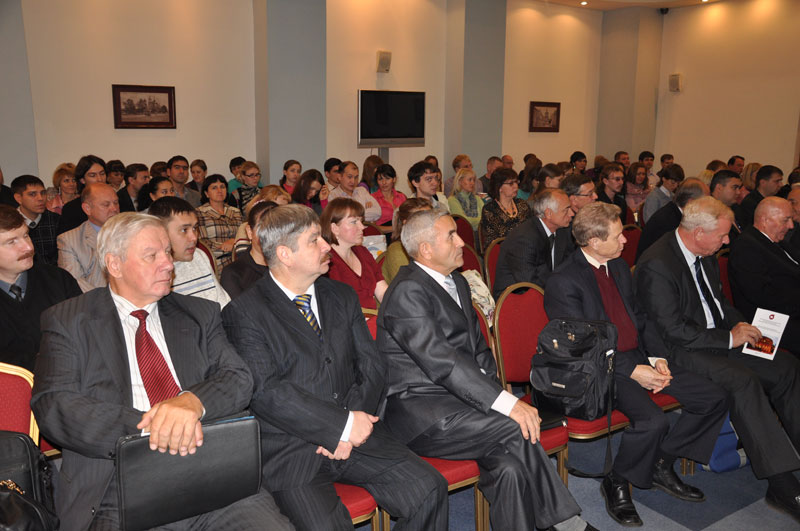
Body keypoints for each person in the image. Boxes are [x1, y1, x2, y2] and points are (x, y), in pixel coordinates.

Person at [33, 212, 292, 531]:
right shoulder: (69, 320)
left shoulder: (198, 313)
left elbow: (238, 378)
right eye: (151, 255)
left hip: (213, 474)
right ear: (114, 264)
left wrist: (191, 402)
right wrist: (155, 427)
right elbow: (55, 405)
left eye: (167, 252)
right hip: (119, 485)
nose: (169, 264)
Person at [221, 204, 447, 531]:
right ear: (284, 254)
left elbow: (371, 364)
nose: (327, 246)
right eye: (314, 240)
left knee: (428, 488)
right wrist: (337, 426)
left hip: (358, 430)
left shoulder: (340, 295)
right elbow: (268, 393)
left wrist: (351, 425)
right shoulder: (244, 313)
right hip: (294, 448)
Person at [377, 209, 595, 531]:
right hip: (424, 414)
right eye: (451, 235)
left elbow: (480, 351)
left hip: (464, 405)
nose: (461, 242)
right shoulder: (408, 291)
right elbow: (443, 363)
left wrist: (495, 395)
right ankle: (568, 523)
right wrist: (507, 404)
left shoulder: (457, 282)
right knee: (515, 426)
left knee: (509, 467)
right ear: (426, 249)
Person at [545, 202, 728, 526]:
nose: (626, 240)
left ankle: (660, 462)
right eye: (617, 235)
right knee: (653, 422)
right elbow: (580, 345)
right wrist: (632, 371)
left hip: (638, 357)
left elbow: (641, 319)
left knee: (713, 397)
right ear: (594, 241)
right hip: (601, 369)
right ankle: (617, 481)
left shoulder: (617, 266)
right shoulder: (564, 280)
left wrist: (657, 359)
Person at [635, 196, 800, 522]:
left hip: (714, 340)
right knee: (742, 381)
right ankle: (781, 483)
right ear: (699, 232)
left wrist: (743, 326)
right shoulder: (657, 263)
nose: (727, 241)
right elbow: (672, 330)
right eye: (723, 235)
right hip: (678, 351)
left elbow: (718, 303)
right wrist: (729, 338)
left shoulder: (704, 253)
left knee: (786, 367)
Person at [0, 205, 80, 371]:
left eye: (26, 235)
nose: (28, 247)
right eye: (12, 242)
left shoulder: (58, 280)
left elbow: (86, 334)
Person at [729, 197, 800, 353]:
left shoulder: (775, 241)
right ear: (765, 220)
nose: (791, 225)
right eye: (786, 220)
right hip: (770, 322)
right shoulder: (746, 247)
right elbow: (762, 295)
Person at [149, 197, 231, 308]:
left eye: (194, 228)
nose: (194, 238)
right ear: (161, 233)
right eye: (184, 230)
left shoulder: (199, 255)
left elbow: (224, 304)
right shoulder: (153, 273)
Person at [492, 189, 574, 297]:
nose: (571, 213)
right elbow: (529, 283)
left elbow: (569, 266)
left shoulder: (562, 231)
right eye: (566, 210)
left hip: (549, 291)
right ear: (548, 213)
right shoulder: (524, 239)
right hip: (516, 298)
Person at [321, 198, 388, 309]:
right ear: (334, 228)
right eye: (354, 222)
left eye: (361, 221)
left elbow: (383, 293)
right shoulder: (326, 262)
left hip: (373, 316)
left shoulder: (363, 252)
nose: (362, 227)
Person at [57, 183, 120, 292]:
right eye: (106, 205)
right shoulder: (69, 240)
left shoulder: (132, 232)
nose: (114, 208)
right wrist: (108, 299)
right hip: (95, 299)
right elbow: (74, 281)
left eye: (116, 203)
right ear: (87, 208)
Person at [636, 178, 710, 262]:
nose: (708, 206)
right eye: (706, 201)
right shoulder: (667, 221)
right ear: (691, 202)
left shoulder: (679, 213)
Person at [221, 201, 274, 299]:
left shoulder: (290, 265)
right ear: (249, 232)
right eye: (262, 228)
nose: (270, 235)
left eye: (276, 228)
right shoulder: (234, 274)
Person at [12, 175, 60, 265]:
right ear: (18, 198)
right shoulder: (8, 223)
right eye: (32, 194)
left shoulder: (56, 220)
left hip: (53, 271)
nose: (40, 198)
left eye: (43, 193)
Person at [197, 174, 243, 270]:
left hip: (238, 257)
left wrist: (234, 243)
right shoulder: (199, 213)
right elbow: (202, 242)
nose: (219, 191)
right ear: (206, 193)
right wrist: (226, 246)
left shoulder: (235, 211)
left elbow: (243, 236)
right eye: (214, 188)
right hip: (215, 261)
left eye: (222, 187)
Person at [382, 198, 432, 284]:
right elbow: (406, 286)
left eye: (431, 217)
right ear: (407, 223)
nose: (430, 223)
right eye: (423, 219)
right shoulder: (397, 250)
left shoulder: (432, 243)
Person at [479, 168, 532, 249]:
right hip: (502, 251)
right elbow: (494, 241)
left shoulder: (522, 205)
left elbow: (532, 229)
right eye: (511, 183)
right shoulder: (490, 210)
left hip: (526, 248)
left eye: (516, 182)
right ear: (499, 187)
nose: (516, 186)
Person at [57, 154, 107, 235]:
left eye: (102, 174)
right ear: (82, 180)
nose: (100, 179)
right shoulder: (71, 209)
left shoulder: (116, 202)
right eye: (93, 175)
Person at [736, 164, 784, 229]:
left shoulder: (777, 199)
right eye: (777, 181)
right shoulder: (750, 203)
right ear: (763, 182)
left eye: (781, 181)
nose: (781, 185)